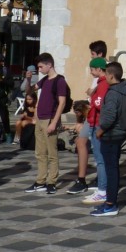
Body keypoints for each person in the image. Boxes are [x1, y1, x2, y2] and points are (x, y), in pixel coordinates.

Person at [92, 61, 126, 217]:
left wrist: (100, 130)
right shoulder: (125, 90)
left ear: (110, 75)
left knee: (111, 170)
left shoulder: (113, 93)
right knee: (113, 168)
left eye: (106, 74)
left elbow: (109, 117)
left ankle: (110, 204)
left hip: (111, 135)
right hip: (120, 133)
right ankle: (110, 200)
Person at [24, 52, 67, 194]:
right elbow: (29, 92)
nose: (40, 69)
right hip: (40, 119)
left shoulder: (59, 81)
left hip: (50, 119)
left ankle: (52, 182)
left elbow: (62, 102)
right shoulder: (44, 80)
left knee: (52, 153)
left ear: (49, 65)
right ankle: (40, 180)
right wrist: (28, 81)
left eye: (41, 66)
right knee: (40, 153)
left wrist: (54, 122)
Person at [81, 57, 109, 203]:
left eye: (92, 69)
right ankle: (102, 189)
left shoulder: (103, 84)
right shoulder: (101, 83)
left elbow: (100, 104)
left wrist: (92, 99)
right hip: (95, 122)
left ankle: (102, 191)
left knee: (100, 160)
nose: (91, 72)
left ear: (99, 69)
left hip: (98, 123)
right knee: (100, 159)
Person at [64, 100, 91, 194]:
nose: (77, 114)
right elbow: (78, 124)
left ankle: (82, 180)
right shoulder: (81, 116)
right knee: (79, 139)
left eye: (78, 113)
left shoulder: (89, 111)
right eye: (76, 113)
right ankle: (81, 180)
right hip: (86, 135)